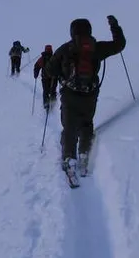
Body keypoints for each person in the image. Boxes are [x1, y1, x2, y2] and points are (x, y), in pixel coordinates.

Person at [44, 15, 125, 178]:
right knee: (87, 124)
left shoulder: (65, 49)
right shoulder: (96, 47)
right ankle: (83, 154)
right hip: (90, 94)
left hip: (70, 94)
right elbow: (119, 45)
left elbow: (49, 70)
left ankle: (69, 159)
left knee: (69, 127)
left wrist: (61, 73)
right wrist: (115, 27)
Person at [32, 45, 57, 111]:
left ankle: (46, 105)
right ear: (51, 50)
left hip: (45, 77)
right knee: (53, 91)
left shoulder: (42, 58)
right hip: (54, 78)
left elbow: (36, 66)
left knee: (45, 91)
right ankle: (53, 103)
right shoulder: (54, 57)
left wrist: (35, 75)